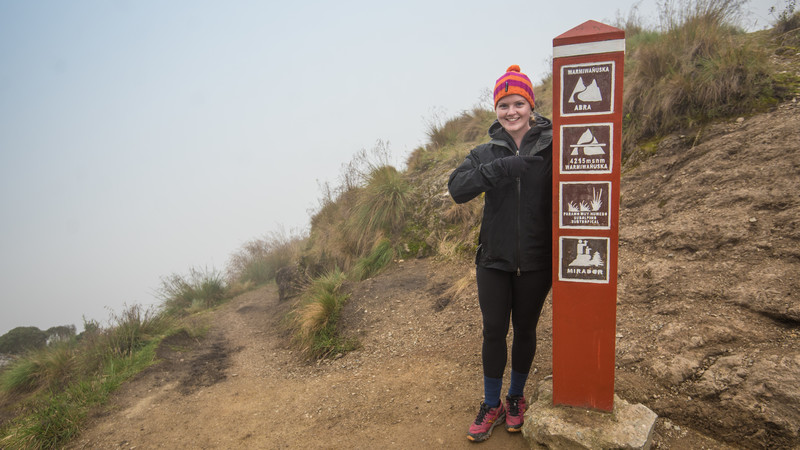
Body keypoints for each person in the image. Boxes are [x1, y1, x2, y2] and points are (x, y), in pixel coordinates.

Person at [448, 65, 553, 442]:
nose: (511, 112)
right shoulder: (484, 152)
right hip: (493, 260)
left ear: (531, 105)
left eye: (518, 104)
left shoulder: (555, 143)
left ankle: (516, 398)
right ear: (496, 109)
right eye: (504, 105)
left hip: (538, 260)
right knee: (494, 331)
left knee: (525, 330)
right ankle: (491, 404)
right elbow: (457, 188)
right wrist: (502, 167)